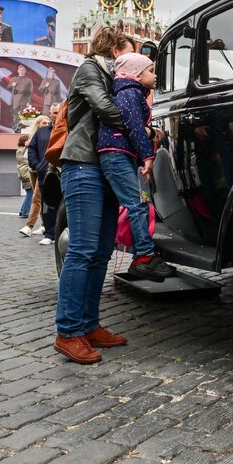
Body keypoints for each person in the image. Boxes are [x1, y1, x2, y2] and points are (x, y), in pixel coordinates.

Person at [54, 28, 132, 364]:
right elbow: (105, 109)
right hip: (83, 164)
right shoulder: (90, 69)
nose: (131, 64)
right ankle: (68, 332)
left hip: (103, 165)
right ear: (114, 50)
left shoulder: (109, 76)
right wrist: (138, 120)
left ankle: (88, 324)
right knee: (83, 250)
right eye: (127, 55)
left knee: (101, 251)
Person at [98, 52, 173, 282]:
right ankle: (144, 257)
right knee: (137, 204)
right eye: (150, 70)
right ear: (137, 75)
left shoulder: (130, 91)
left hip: (119, 154)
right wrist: (147, 157)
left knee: (138, 203)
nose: (155, 74)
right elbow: (135, 127)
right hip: (116, 155)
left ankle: (143, 255)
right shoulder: (130, 92)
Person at [26, 108, 58, 245]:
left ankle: (63, 231)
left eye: (59, 112)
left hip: (65, 174)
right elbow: (32, 149)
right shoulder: (41, 132)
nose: (56, 115)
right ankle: (50, 233)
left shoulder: (69, 129)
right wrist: (36, 165)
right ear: (50, 114)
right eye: (54, 112)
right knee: (46, 205)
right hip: (45, 175)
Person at [20, 111, 54, 237]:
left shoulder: (50, 133)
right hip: (33, 170)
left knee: (37, 198)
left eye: (46, 122)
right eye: (43, 122)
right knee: (39, 198)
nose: (46, 124)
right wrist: (35, 165)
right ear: (38, 124)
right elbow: (27, 154)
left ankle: (29, 225)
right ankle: (44, 224)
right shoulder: (36, 135)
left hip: (44, 170)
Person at [7, 65, 34, 131]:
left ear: (25, 71)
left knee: (23, 118)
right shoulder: (14, 79)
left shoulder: (28, 80)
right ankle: (16, 131)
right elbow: (8, 87)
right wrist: (12, 85)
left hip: (24, 101)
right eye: (20, 70)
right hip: (15, 101)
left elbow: (31, 92)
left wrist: (29, 101)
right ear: (18, 71)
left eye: (23, 70)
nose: (21, 71)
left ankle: (22, 132)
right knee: (15, 117)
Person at [16, 135, 32, 218]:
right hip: (28, 174)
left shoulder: (18, 150)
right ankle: (25, 212)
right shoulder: (24, 150)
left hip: (23, 174)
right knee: (30, 194)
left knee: (28, 193)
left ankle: (23, 211)